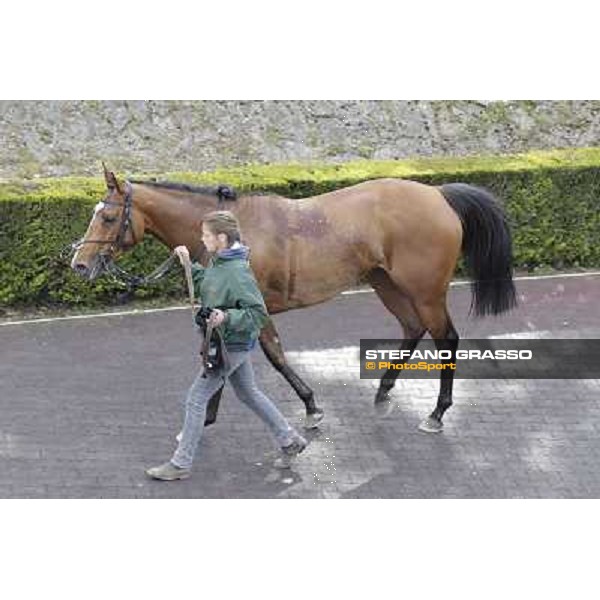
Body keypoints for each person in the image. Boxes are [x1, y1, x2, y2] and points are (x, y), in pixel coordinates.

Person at [146, 210, 307, 481]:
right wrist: (190, 267)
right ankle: (290, 440)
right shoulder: (221, 262)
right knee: (248, 393)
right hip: (231, 342)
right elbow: (211, 286)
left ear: (221, 237)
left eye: (206, 235)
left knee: (196, 399)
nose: (202, 238)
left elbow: (258, 313)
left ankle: (181, 463)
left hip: (230, 345)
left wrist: (227, 316)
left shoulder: (236, 271)